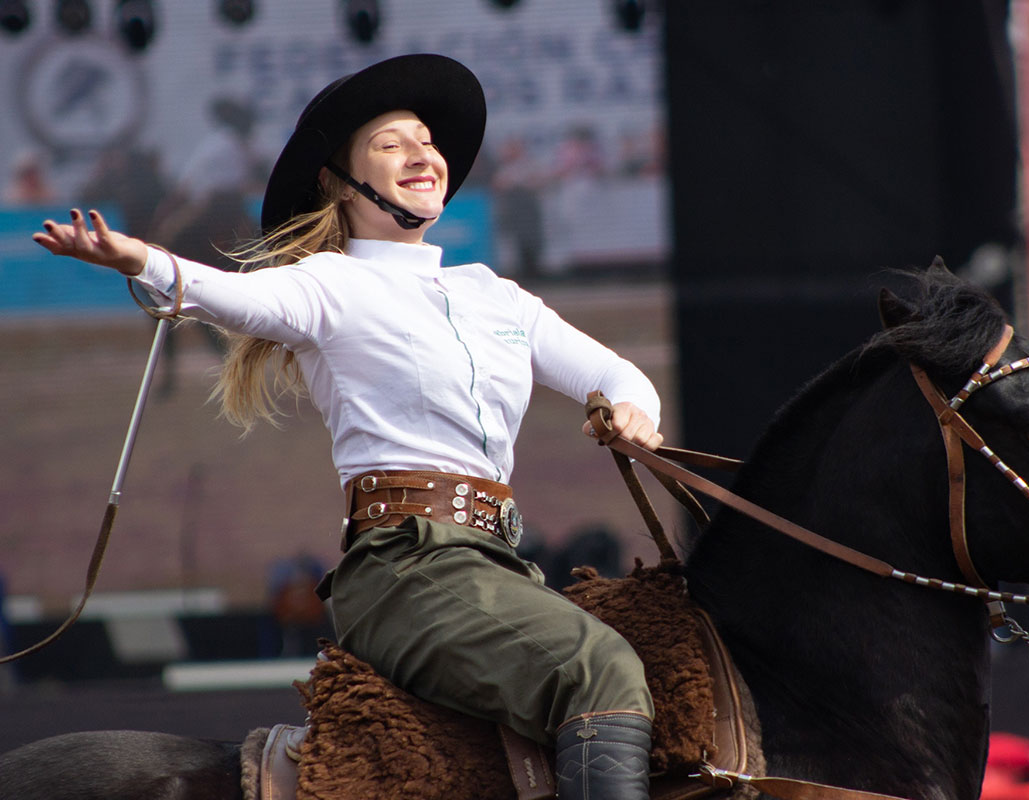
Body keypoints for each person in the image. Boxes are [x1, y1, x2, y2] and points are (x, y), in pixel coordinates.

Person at [33, 54, 660, 800]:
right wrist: (138, 258)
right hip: (406, 571)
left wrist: (633, 413)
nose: (421, 152)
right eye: (391, 143)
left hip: (498, 565)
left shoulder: (497, 295)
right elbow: (230, 299)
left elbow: (619, 375)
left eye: (426, 138)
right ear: (339, 181)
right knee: (601, 667)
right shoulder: (328, 285)